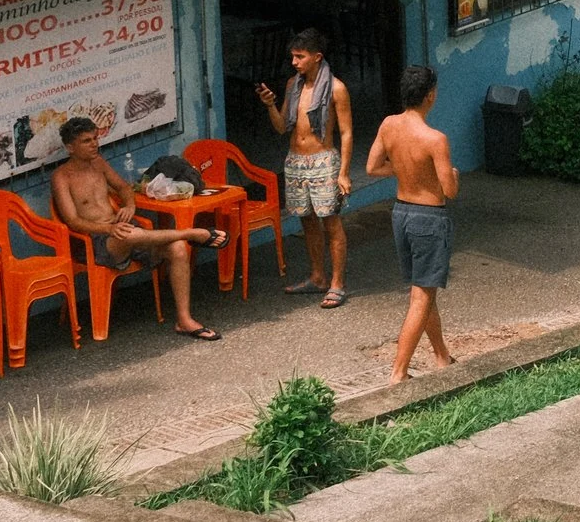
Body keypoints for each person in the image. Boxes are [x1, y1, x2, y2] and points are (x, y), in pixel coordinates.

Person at [48, 115, 228, 341]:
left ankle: (184, 320)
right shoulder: (61, 177)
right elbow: (72, 221)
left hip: (126, 232)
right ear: (70, 147)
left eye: (95, 138)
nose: (94, 144)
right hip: (97, 241)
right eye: (86, 141)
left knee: (179, 249)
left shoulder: (99, 163)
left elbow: (124, 188)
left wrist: (130, 205)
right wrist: (107, 230)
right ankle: (193, 233)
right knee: (131, 234)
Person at [366, 64, 459, 382]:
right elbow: (450, 190)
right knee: (421, 296)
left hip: (401, 214)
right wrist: (450, 174)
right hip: (429, 218)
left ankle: (441, 356)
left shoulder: (389, 125)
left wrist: (404, 170)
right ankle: (398, 372)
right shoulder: (435, 139)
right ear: (430, 96)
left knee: (423, 291)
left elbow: (372, 167)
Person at [256, 28, 355, 308]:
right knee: (307, 220)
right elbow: (281, 127)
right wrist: (270, 105)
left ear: (317, 57)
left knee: (331, 221)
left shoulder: (336, 88)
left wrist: (344, 172)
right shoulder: (293, 85)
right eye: (293, 57)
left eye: (300, 57)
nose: (295, 62)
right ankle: (318, 277)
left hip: (324, 162)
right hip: (296, 162)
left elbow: (346, 133)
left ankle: (337, 283)